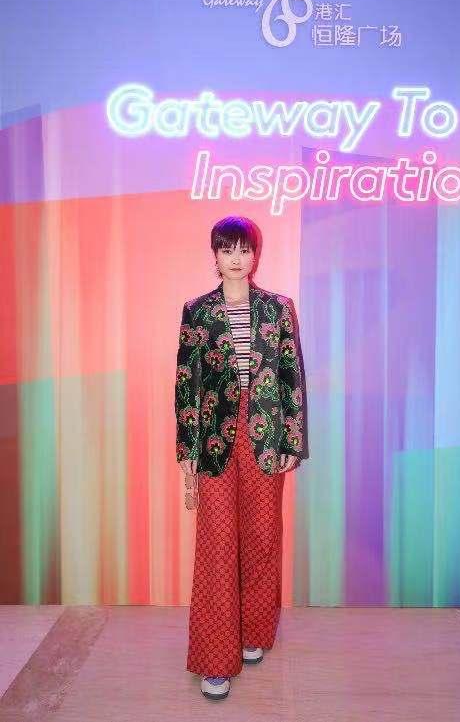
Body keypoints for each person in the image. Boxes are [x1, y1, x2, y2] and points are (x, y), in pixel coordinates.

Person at [175, 215, 309, 700]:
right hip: (215, 437)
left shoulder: (278, 308)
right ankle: (214, 658)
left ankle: (253, 630)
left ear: (255, 255)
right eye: (227, 249)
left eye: (244, 249)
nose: (236, 258)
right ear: (214, 255)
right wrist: (187, 449)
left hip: (265, 432)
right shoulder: (197, 311)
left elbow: (292, 375)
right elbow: (186, 383)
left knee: (261, 534)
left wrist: (291, 439)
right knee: (216, 540)